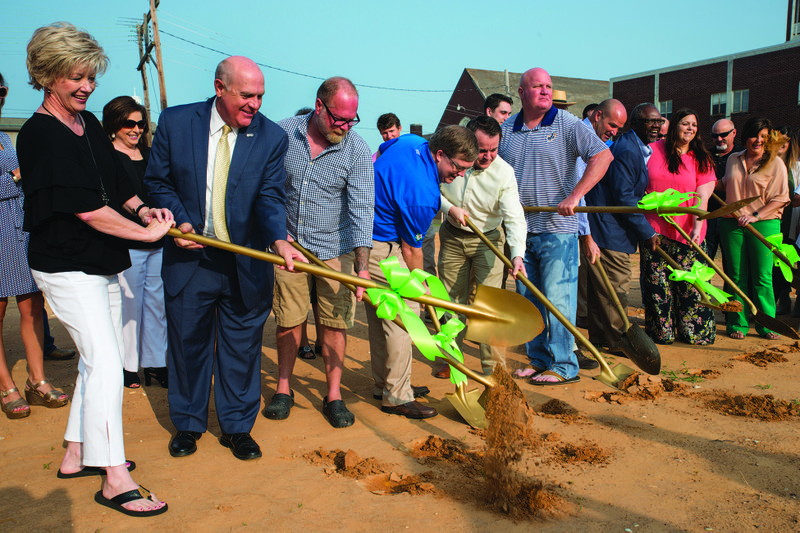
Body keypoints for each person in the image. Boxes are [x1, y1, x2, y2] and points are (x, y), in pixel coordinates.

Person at [17, 22, 172, 515]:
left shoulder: (84, 125)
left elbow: (114, 184)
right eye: (75, 78)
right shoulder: (40, 133)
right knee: (106, 363)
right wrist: (146, 235)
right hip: (64, 265)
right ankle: (113, 475)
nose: (85, 87)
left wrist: (143, 210)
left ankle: (76, 451)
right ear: (47, 75)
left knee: (93, 360)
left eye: (90, 77)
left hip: (99, 261)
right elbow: (86, 208)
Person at [145, 56, 304, 460]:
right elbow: (157, 182)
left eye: (261, 96)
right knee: (188, 344)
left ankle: (237, 427)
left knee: (241, 348)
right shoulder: (177, 123)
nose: (255, 104)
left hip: (244, 265)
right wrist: (179, 222)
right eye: (247, 95)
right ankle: (188, 424)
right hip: (189, 260)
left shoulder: (271, 137)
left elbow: (270, 196)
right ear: (220, 88)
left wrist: (278, 239)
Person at [265, 77, 374, 428]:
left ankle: (334, 395)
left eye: (351, 120)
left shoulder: (356, 149)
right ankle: (284, 389)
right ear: (319, 106)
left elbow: (361, 209)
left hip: (333, 251)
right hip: (289, 247)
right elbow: (268, 188)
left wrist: (361, 268)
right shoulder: (282, 133)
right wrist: (276, 234)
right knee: (288, 321)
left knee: (334, 324)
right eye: (338, 118)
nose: (344, 126)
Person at [498, 68, 612, 385]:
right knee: (527, 301)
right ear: (521, 92)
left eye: (549, 86)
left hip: (558, 229)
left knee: (559, 301)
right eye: (538, 86)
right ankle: (539, 360)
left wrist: (576, 195)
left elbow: (602, 156)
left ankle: (564, 365)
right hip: (519, 234)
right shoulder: (507, 130)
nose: (546, 91)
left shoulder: (566, 124)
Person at [370, 125, 478, 419]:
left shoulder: (412, 142)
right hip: (383, 246)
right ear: (440, 154)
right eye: (457, 167)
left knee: (382, 314)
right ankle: (397, 396)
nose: (460, 175)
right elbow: (412, 251)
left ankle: (386, 385)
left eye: (467, 169)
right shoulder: (423, 195)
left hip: (364, 240)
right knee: (407, 315)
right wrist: (423, 287)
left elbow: (382, 156)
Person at [434, 115, 526, 377]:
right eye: (482, 150)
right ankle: (451, 359)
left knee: (489, 305)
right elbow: (432, 190)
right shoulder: (449, 162)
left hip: (489, 241)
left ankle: (494, 369)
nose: (487, 156)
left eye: (493, 150)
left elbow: (514, 216)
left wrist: (517, 255)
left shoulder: (504, 173)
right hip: (452, 236)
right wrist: (450, 208)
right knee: (452, 301)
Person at [0, 71, 68, 420]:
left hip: (19, 228)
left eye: (1, 90)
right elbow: (16, 178)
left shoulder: (5, 139)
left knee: (32, 305)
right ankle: (6, 386)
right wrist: (16, 177)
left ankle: (37, 380)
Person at [102, 96, 168, 390]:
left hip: (158, 241)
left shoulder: (153, 155)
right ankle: (128, 366)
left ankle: (156, 364)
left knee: (156, 304)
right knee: (129, 308)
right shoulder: (106, 158)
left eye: (140, 123)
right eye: (129, 123)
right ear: (115, 125)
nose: (136, 129)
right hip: (126, 242)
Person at [584, 103, 660, 351]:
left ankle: (600, 336)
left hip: (606, 228)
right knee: (616, 289)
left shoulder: (635, 147)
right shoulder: (628, 150)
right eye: (651, 122)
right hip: (611, 230)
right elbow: (623, 197)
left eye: (659, 122)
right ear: (637, 124)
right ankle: (618, 341)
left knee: (601, 289)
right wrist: (647, 231)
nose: (656, 127)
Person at [641, 108, 716, 345]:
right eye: (685, 123)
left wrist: (697, 225)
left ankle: (694, 332)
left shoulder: (700, 157)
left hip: (688, 232)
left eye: (694, 125)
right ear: (674, 126)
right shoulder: (652, 151)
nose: (690, 129)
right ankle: (661, 332)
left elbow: (702, 198)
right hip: (655, 231)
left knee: (690, 286)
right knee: (657, 286)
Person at [718, 117, 789, 339]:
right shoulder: (732, 159)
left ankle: (767, 324)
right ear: (745, 137)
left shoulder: (775, 163)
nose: (757, 140)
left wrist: (755, 216)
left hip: (765, 223)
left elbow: (780, 198)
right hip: (732, 222)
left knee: (762, 276)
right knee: (736, 275)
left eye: (763, 137)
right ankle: (737, 324)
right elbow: (724, 183)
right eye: (753, 135)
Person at [706, 118, 741, 261]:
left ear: (734, 133)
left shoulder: (742, 156)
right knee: (703, 262)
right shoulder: (704, 155)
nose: (719, 139)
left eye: (723, 135)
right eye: (715, 136)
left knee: (732, 263)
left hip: (732, 217)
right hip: (708, 215)